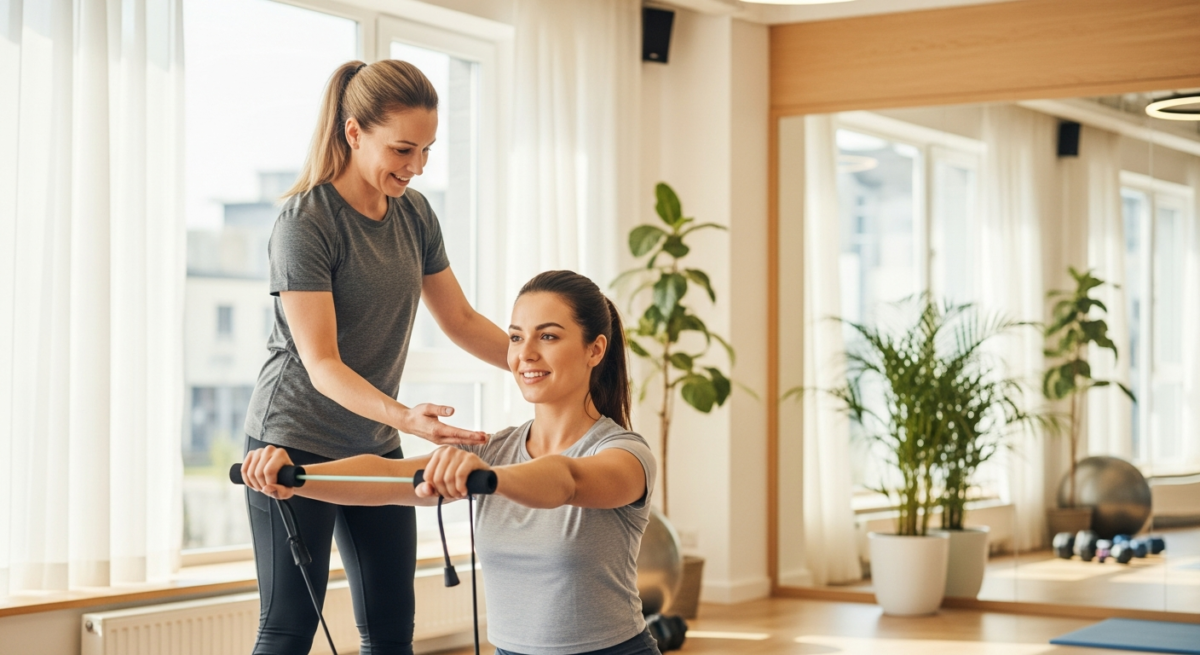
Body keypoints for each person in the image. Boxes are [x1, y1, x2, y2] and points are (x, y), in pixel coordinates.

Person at [242, 270, 663, 655]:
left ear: (595, 350)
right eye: (516, 338)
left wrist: (489, 478)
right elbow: (388, 475)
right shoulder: (493, 450)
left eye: (548, 337)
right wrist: (296, 478)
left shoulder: (625, 454)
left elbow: (566, 480)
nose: (526, 354)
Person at [242, 59, 510, 655]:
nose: (417, 167)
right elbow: (322, 364)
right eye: (403, 149)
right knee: (288, 628)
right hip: (293, 437)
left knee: (391, 628)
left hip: (372, 439)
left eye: (427, 150)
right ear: (354, 133)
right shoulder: (306, 222)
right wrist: (407, 418)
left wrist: (539, 367)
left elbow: (461, 321)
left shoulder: (415, 214)